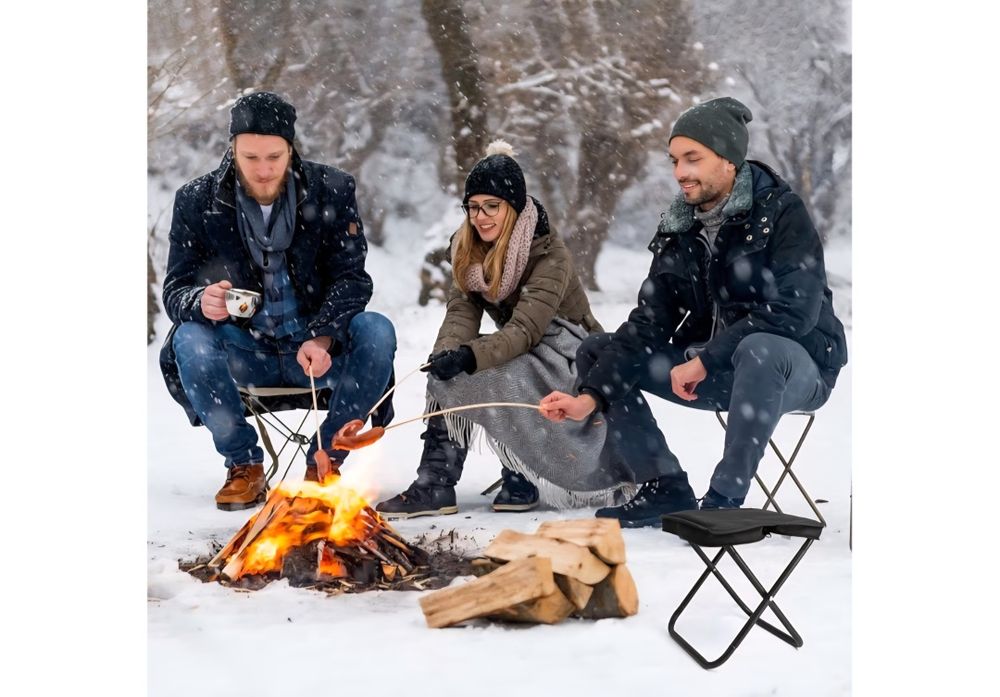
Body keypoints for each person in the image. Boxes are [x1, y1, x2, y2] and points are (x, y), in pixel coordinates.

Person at [540, 97, 848, 527]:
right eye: (674, 160)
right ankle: (663, 486)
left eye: (692, 158)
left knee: (761, 347)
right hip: (715, 372)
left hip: (796, 369)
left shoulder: (781, 213)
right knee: (598, 350)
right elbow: (649, 322)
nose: (680, 172)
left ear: (728, 160)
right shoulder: (679, 226)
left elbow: (795, 312)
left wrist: (705, 358)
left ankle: (723, 503)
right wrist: (591, 396)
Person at [159, 91, 396, 511]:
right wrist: (201, 301)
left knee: (377, 330)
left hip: (317, 354)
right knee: (189, 337)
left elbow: (351, 278)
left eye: (274, 156)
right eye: (251, 158)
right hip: (246, 351)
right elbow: (176, 291)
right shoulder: (196, 201)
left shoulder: (332, 189)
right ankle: (244, 465)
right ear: (232, 149)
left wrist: (322, 336)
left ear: (291, 149)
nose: (264, 170)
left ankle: (325, 461)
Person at [376, 140, 636, 519]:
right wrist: (448, 352)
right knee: (454, 376)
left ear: (513, 207)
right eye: (473, 207)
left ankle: (523, 472)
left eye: (492, 206)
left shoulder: (548, 254)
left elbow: (527, 330)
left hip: (569, 350)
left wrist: (471, 356)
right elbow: (461, 311)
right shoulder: (469, 249)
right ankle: (436, 481)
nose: (480, 217)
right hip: (521, 344)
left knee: (500, 373)